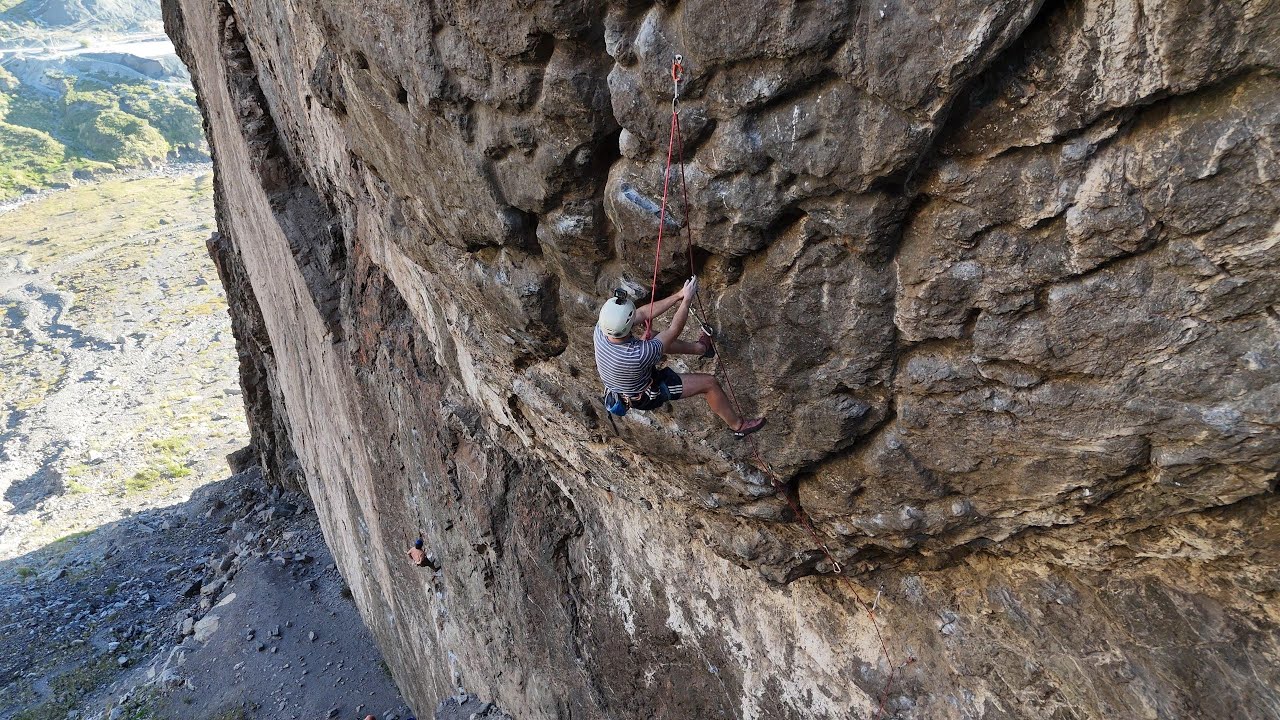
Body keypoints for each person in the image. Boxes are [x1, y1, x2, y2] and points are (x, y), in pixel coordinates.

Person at [594, 276, 765, 436]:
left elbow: (643, 314)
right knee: (710, 383)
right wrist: (687, 300)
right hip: (646, 394)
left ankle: (701, 349)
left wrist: (679, 295)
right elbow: (673, 331)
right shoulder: (639, 354)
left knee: (654, 338)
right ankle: (738, 426)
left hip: (623, 380)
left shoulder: (602, 329)